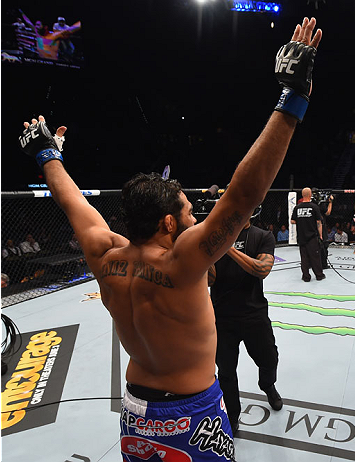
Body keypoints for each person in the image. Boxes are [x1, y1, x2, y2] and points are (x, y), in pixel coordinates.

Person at [16, 17, 322, 462]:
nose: (195, 217)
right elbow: (245, 194)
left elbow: (70, 202)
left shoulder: (104, 253)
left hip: (136, 412)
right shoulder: (182, 261)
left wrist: (47, 155)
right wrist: (293, 99)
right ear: (166, 224)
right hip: (191, 415)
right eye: (187, 211)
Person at [208, 219, 282, 435]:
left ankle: (267, 385)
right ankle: (232, 414)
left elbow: (262, 269)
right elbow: (210, 280)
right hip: (222, 315)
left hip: (254, 312)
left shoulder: (262, 236)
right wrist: (208, 257)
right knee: (226, 371)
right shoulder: (215, 237)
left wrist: (227, 248)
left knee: (269, 358)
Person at [291, 187, 326, 281]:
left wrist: (301, 220)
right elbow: (319, 222)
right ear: (310, 195)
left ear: (302, 195)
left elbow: (292, 221)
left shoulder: (297, 207)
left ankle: (306, 277)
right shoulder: (314, 207)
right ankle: (319, 275)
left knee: (304, 257)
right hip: (312, 236)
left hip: (301, 236)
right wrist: (321, 235)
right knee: (315, 256)